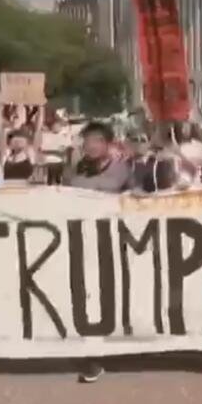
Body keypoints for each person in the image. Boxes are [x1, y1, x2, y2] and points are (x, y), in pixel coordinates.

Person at [63, 121, 131, 384]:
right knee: (86, 298)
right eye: (86, 141)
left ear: (108, 144)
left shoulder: (123, 171)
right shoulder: (74, 172)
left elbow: (137, 199)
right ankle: (93, 355)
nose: (90, 146)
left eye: (96, 141)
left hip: (114, 243)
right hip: (81, 244)